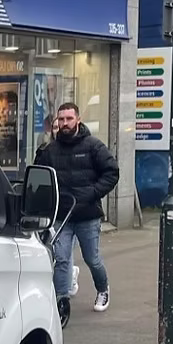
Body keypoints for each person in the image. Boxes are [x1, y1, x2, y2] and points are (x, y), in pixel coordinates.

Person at [34, 101, 119, 324]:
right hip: (62, 216)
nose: (65, 123)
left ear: (78, 120)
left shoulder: (93, 146)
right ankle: (61, 302)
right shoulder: (50, 150)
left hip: (87, 215)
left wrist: (92, 193)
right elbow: (39, 179)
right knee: (61, 259)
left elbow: (112, 173)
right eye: (61, 119)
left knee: (92, 258)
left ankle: (103, 289)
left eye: (69, 119)